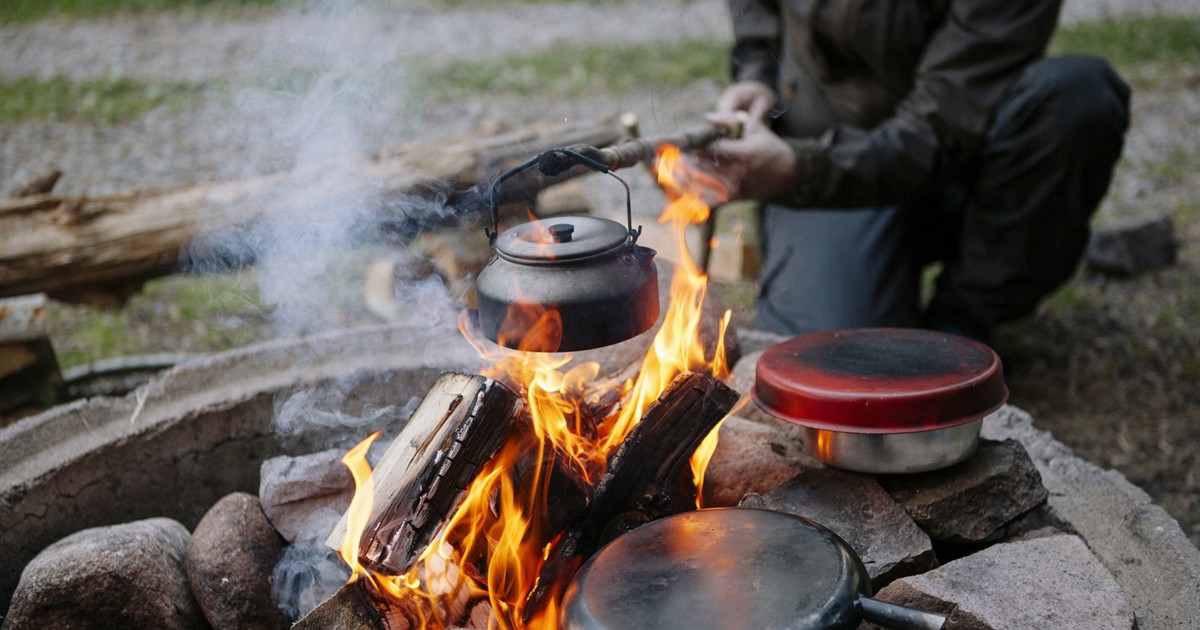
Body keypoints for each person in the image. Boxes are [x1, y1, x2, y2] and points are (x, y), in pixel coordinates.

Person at [701, 0, 1131, 343]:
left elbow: (941, 125)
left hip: (961, 160)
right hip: (825, 161)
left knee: (1076, 98)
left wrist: (799, 171)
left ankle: (965, 318)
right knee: (828, 365)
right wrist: (758, 75)